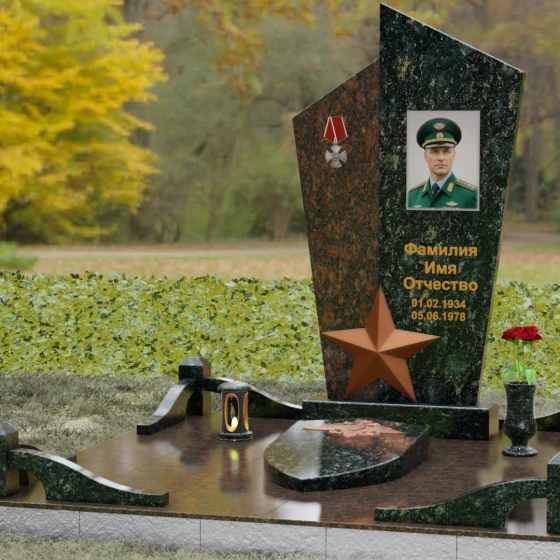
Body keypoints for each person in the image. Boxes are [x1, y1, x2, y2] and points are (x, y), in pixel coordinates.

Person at [408, 118, 478, 210]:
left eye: (446, 151)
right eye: (434, 152)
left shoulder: (470, 195)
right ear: (425, 156)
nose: (441, 158)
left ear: (454, 155)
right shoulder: (412, 196)